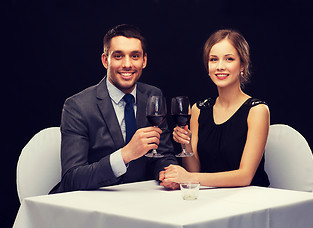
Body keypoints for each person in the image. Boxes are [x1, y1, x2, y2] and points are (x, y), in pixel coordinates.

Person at [50, 24, 177, 194]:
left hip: (141, 202)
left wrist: (168, 173)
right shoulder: (77, 106)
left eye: (135, 56)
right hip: (90, 207)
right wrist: (125, 155)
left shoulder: (153, 95)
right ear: (105, 60)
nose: (127, 64)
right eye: (118, 56)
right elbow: (72, 178)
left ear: (144, 61)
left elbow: (163, 154)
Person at [160, 29, 270, 188]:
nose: (220, 66)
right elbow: (194, 170)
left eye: (229, 59)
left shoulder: (257, 110)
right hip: (211, 197)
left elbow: (244, 177)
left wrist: (189, 177)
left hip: (251, 199)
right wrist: (186, 144)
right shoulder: (199, 109)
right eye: (213, 59)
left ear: (242, 65)